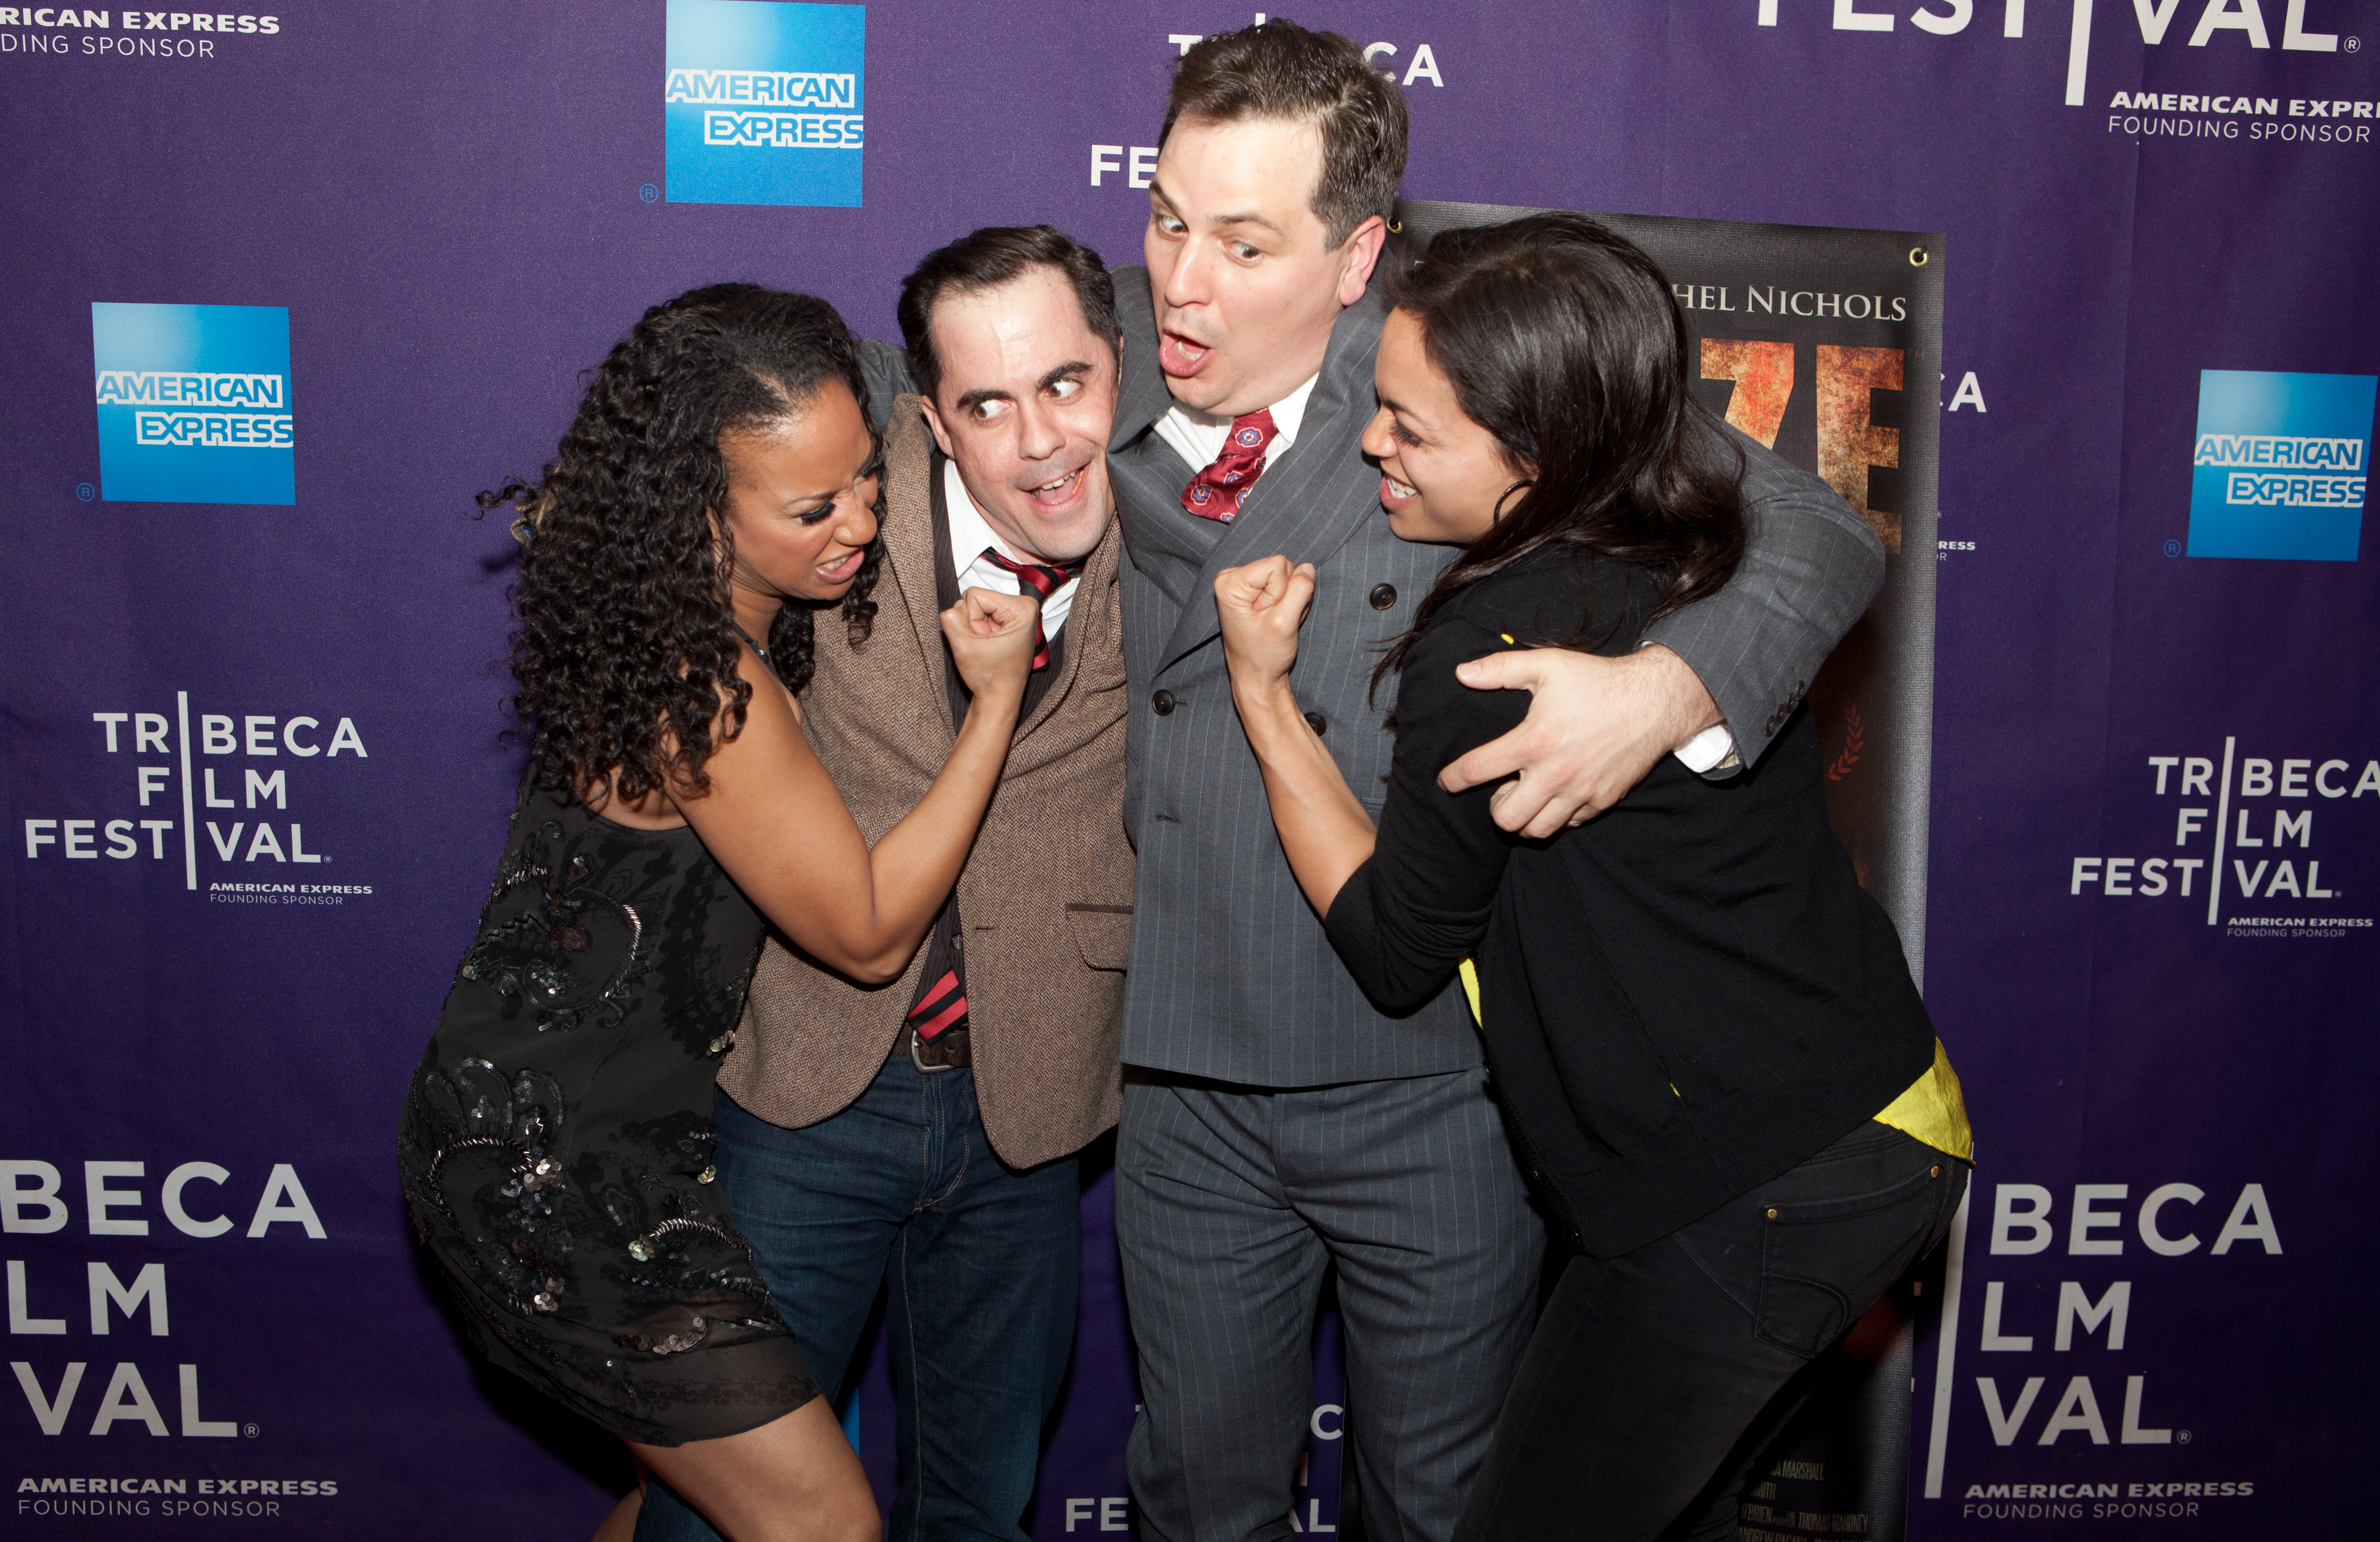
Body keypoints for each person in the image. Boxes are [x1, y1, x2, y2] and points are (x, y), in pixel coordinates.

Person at [1105, 22, 1893, 1539]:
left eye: (1244, 242)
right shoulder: (1088, 369)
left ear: (1358, 259)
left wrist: (1667, 687)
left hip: (1439, 1097)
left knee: (1452, 1508)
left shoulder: (1453, 379)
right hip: (1188, 1073)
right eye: (1165, 218)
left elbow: (1818, 530)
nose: (1183, 282)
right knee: (1199, 1501)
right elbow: (899, 405)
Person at [1210, 212, 1973, 1542]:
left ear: (1539, 455)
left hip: (1757, 1181)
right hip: (1890, 1124)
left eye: (1412, 425)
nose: (1374, 442)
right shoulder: (1707, 536)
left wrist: (1264, 700)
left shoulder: (1490, 663)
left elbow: (1399, 949)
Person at [396, 284, 1040, 1542]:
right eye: (813, 507)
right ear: (700, 508)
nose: (857, 521)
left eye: (866, 479)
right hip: (549, 1166)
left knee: (686, 1496)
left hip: (604, 1146)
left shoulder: (664, 627)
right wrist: (995, 709)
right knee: (820, 1526)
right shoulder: (702, 681)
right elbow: (863, 934)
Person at [634, 228, 1133, 1542]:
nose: (1040, 440)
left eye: (1070, 385)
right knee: (722, 1507)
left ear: (1123, 364)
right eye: (986, 403)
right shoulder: (835, 488)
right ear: (929, 413)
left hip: (1031, 1093)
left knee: (982, 1502)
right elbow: (701, 401)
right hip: (806, 1083)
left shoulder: (1186, 497)